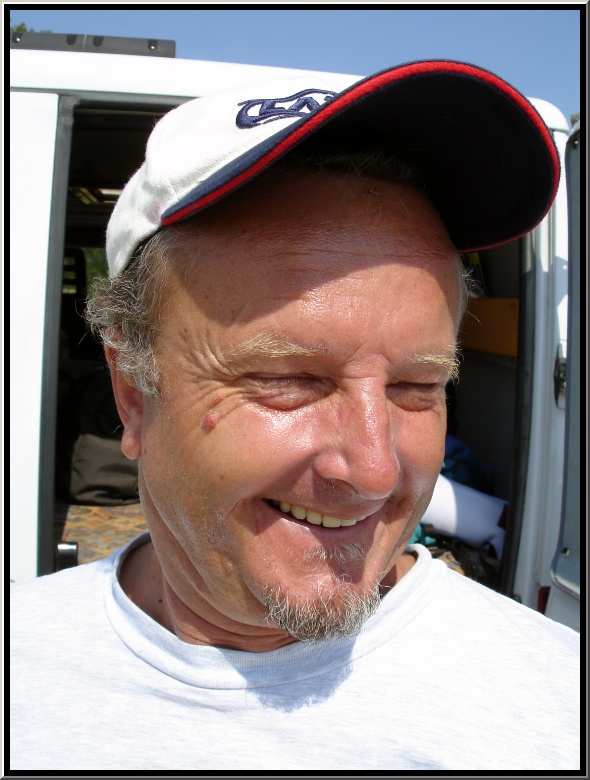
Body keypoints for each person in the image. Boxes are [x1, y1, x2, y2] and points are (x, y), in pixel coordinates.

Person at [10, 61, 579, 771]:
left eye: (417, 386)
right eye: (289, 380)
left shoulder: (556, 710)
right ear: (133, 393)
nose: (374, 471)